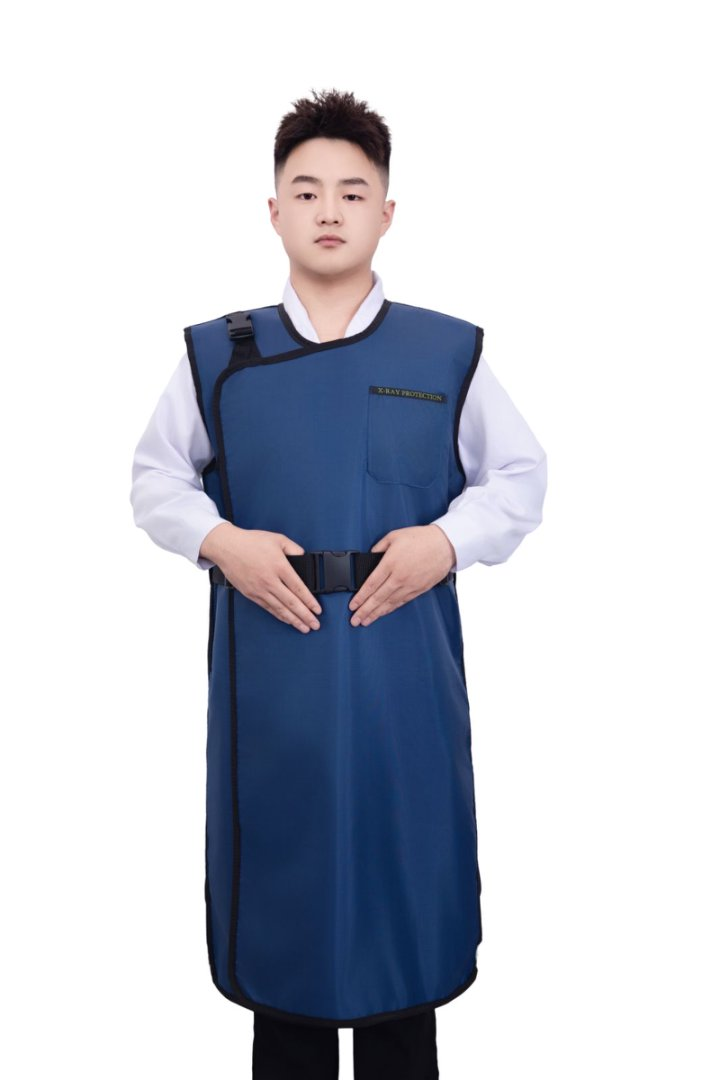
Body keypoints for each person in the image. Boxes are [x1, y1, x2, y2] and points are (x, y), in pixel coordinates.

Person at [130, 87, 547, 1080]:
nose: (330, 210)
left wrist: (447, 541)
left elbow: (520, 479)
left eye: (353, 192)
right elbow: (154, 481)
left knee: (403, 933)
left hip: (404, 681)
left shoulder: (444, 351)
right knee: (288, 941)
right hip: (274, 687)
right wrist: (219, 541)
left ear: (386, 213)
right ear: (274, 210)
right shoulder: (218, 355)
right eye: (307, 190)